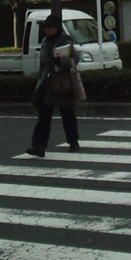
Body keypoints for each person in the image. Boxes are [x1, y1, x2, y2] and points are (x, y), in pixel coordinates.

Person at [26, 13, 80, 157]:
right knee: (44, 115)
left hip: (62, 82)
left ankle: (73, 141)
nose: (47, 30)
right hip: (47, 82)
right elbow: (42, 65)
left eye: (50, 28)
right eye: (46, 28)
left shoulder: (65, 41)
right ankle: (39, 146)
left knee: (67, 114)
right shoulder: (45, 41)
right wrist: (39, 82)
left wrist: (61, 62)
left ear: (57, 28)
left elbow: (75, 59)